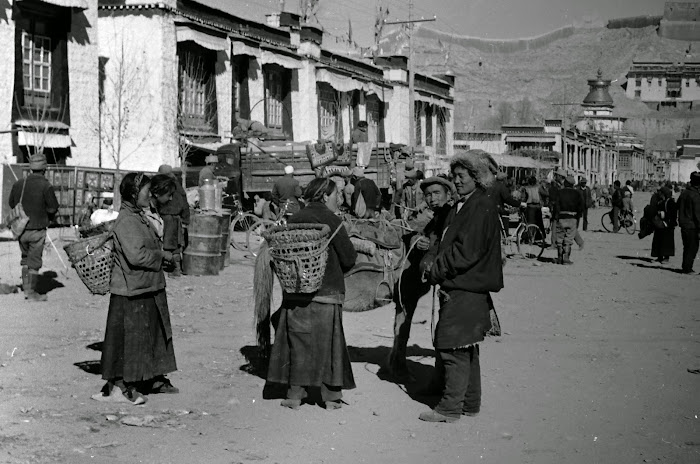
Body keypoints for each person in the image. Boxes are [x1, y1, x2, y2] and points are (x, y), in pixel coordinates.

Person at [418, 150, 503, 423]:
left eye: (462, 176)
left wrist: (435, 270)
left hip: (465, 287)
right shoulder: (466, 205)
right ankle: (469, 403)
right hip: (464, 286)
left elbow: (466, 253)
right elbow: (445, 242)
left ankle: (449, 408)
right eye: (454, 176)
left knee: (452, 347)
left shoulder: (480, 207)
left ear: (477, 178)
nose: (456, 181)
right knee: (467, 347)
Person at [266, 177, 357, 410]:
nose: (338, 200)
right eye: (336, 196)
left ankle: (295, 395)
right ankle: (331, 398)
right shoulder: (332, 220)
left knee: (298, 343)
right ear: (325, 196)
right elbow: (348, 259)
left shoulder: (295, 218)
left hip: (296, 293)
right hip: (327, 293)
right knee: (330, 344)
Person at [92, 173, 178, 405]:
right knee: (127, 341)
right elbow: (136, 255)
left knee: (147, 337)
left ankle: (146, 379)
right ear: (132, 194)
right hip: (131, 289)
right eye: (145, 191)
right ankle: (121, 386)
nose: (149, 194)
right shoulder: (128, 221)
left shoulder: (139, 217)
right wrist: (162, 256)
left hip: (145, 286)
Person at [386, 176, 455, 381]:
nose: (432, 198)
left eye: (437, 194)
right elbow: (412, 231)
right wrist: (418, 240)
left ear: (447, 194)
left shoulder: (452, 215)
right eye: (428, 195)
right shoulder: (431, 215)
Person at [8, 153, 59, 302]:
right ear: (45, 168)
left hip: (21, 229)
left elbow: (12, 203)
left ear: (30, 168)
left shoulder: (19, 184)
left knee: (25, 259)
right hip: (37, 230)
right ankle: (30, 293)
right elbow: (53, 207)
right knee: (34, 262)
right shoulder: (46, 185)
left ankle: (26, 288)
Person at [155, 166, 190, 277]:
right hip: (175, 218)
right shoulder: (178, 186)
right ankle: (174, 268)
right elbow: (185, 204)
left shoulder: (164, 186)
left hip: (167, 218)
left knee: (169, 245)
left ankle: (174, 269)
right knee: (174, 244)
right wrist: (185, 219)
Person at [553, 176, 584, 265]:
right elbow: (580, 207)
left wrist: (556, 216)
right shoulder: (577, 193)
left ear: (565, 183)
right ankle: (566, 258)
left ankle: (559, 258)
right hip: (573, 217)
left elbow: (556, 205)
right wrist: (578, 217)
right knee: (569, 238)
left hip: (561, 217)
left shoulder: (559, 192)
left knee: (560, 238)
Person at [677, 171, 700, 274]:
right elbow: (697, 214)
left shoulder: (684, 193)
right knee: (692, 247)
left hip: (684, 224)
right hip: (692, 226)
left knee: (686, 246)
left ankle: (686, 267)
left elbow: (677, 206)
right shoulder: (695, 195)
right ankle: (687, 268)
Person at [650, 186, 677, 264]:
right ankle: (659, 257)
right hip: (661, 225)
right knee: (659, 241)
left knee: (667, 242)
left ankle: (666, 258)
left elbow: (672, 214)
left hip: (668, 225)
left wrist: (663, 215)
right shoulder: (662, 201)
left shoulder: (670, 202)